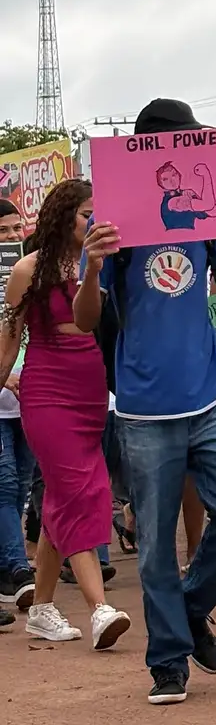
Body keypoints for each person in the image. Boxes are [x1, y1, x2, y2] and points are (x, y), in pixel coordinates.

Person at [76, 98, 216, 704]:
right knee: (156, 541)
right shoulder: (110, 222)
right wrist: (92, 268)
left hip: (212, 393)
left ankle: (188, 609)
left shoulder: (209, 214)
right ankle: (167, 661)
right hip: (143, 406)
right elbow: (86, 320)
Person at [0, 180, 130, 648]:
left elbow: (96, 322)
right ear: (63, 215)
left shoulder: (102, 264)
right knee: (83, 491)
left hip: (89, 386)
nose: (94, 221)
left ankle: (41, 609)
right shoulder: (28, 270)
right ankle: (99, 609)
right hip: (46, 390)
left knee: (62, 495)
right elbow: (9, 340)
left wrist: (93, 268)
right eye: (86, 213)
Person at [0, 198, 34, 618]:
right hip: (4, 396)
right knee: (6, 483)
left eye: (15, 229)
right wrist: (5, 375)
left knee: (22, 485)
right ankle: (19, 568)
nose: (11, 237)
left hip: (28, 400)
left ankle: (8, 568)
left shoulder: (29, 275)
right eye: (3, 231)